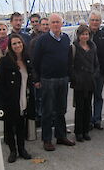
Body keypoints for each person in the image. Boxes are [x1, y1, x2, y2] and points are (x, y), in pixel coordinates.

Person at [33, 13, 75, 151]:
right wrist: (37, 79)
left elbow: (69, 58)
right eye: (53, 22)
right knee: (47, 111)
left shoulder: (65, 38)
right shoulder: (42, 40)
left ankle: (61, 136)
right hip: (48, 79)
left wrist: (69, 75)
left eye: (58, 22)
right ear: (49, 24)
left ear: (62, 23)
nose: (56, 24)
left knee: (61, 110)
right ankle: (46, 139)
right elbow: (36, 61)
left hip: (63, 79)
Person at [0, 34, 35, 163]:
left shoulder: (26, 59)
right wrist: (7, 98)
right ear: (10, 46)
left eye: (19, 43)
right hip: (10, 100)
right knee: (10, 126)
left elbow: (30, 77)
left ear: (23, 44)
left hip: (24, 97)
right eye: (14, 44)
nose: (17, 46)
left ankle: (22, 149)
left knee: (21, 126)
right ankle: (13, 151)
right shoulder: (5, 61)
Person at [70, 25, 99, 142]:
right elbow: (71, 65)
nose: (85, 36)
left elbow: (96, 63)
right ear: (78, 35)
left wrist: (94, 74)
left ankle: (86, 130)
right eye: (82, 34)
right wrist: (75, 78)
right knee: (79, 107)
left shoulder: (92, 47)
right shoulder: (74, 47)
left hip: (90, 80)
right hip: (79, 82)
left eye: (86, 34)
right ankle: (78, 131)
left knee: (88, 106)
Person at [89, 10, 104, 130]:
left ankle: (97, 120)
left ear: (100, 22)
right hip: (86, 73)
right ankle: (87, 121)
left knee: (98, 96)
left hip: (100, 72)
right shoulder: (83, 34)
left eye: (97, 20)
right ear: (89, 21)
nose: (94, 22)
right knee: (87, 98)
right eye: (92, 20)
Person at [28, 17, 49, 127]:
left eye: (47, 24)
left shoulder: (58, 38)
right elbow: (33, 62)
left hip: (53, 77)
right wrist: (36, 79)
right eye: (43, 24)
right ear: (40, 26)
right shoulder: (34, 42)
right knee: (40, 100)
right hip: (41, 77)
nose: (45, 26)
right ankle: (41, 120)